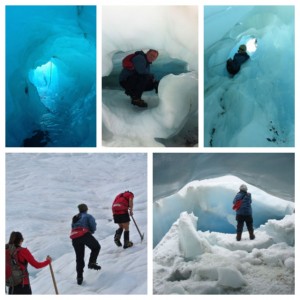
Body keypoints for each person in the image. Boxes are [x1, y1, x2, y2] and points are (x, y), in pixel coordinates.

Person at [70, 204, 101, 285]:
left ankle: (79, 277)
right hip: (84, 234)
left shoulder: (75, 217)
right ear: (86, 209)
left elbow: (72, 226)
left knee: (79, 257)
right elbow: (93, 225)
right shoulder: (88, 216)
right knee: (96, 247)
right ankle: (92, 263)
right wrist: (91, 231)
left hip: (74, 237)